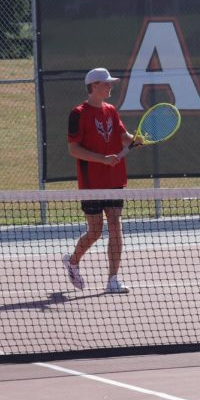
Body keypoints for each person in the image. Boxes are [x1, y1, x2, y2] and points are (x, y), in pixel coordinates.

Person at [62, 67, 142, 294]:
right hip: (91, 182)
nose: (110, 86)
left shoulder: (111, 110)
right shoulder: (78, 113)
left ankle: (113, 279)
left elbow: (123, 138)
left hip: (115, 180)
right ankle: (73, 261)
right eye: (106, 83)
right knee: (96, 231)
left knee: (116, 226)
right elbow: (73, 149)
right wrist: (101, 159)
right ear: (94, 86)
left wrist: (136, 139)